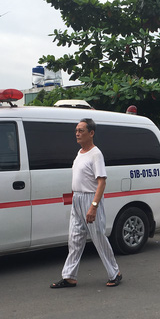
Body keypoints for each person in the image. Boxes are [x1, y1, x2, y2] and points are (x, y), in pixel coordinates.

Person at [50, 118, 122, 289]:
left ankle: (115, 273)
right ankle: (69, 276)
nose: (77, 133)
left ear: (91, 133)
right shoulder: (80, 152)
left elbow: (102, 182)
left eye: (81, 130)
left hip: (90, 199)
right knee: (74, 238)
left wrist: (94, 206)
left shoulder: (96, 154)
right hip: (77, 198)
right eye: (76, 130)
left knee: (98, 238)